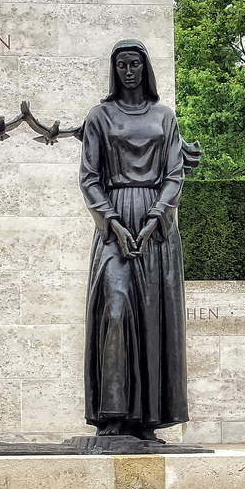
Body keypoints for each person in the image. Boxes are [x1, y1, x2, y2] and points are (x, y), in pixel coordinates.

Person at [78, 39, 197, 442]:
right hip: (114, 222)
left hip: (156, 225)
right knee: (115, 310)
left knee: (151, 316)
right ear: (115, 71)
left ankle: (146, 418)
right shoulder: (100, 116)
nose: (129, 71)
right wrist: (112, 222)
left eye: (135, 64)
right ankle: (112, 412)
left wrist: (155, 218)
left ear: (145, 68)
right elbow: (89, 177)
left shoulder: (165, 117)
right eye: (122, 65)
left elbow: (175, 173)